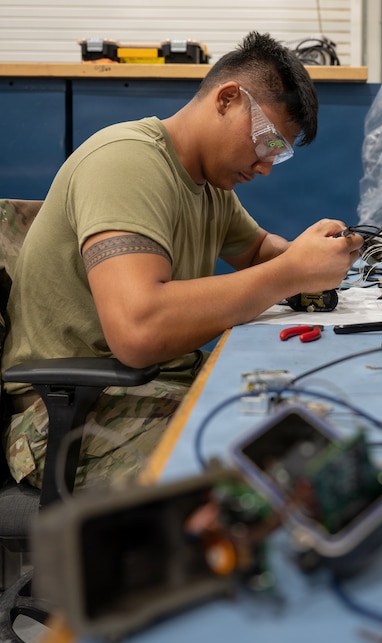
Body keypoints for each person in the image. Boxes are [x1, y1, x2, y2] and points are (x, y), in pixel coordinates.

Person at [1, 31, 363, 490]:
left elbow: (255, 252)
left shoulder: (209, 184)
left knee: (304, 429)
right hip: (71, 417)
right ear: (228, 99)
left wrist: (313, 256)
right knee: (263, 483)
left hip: (145, 389)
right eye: (268, 141)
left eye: (280, 154)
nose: (268, 166)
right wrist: (291, 272)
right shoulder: (126, 161)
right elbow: (139, 329)